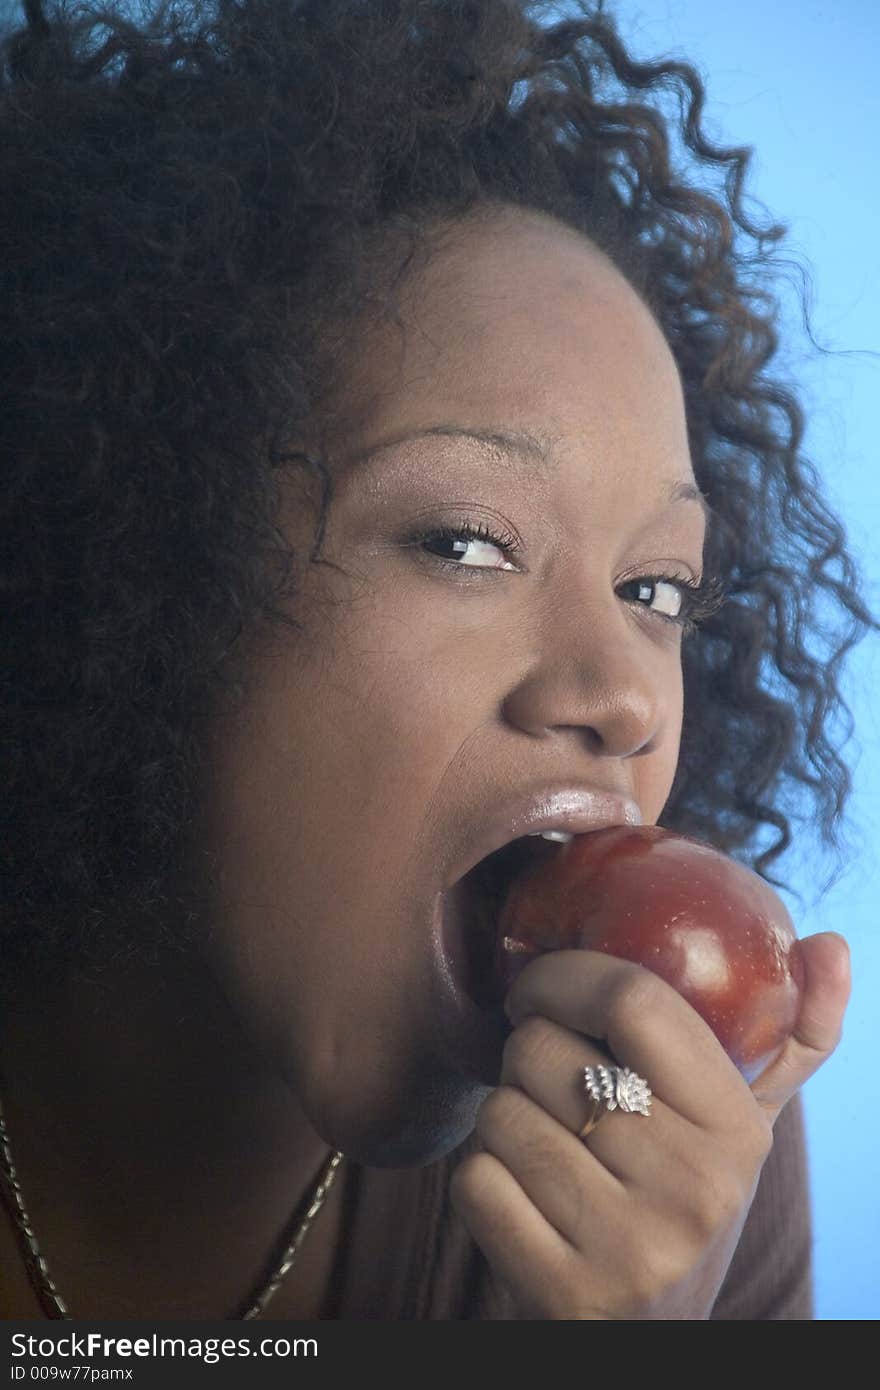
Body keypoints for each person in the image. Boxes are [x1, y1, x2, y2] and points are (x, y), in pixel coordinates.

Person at [0, 0, 872, 1321]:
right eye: (463, 541)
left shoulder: (684, 1164)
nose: (624, 693)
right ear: (144, 569)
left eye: (655, 587)